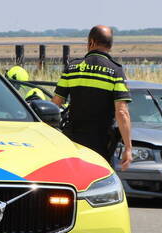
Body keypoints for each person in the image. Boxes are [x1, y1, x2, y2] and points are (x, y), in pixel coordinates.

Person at [52, 26, 132, 170]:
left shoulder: (72, 68)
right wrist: (128, 148)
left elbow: (55, 104)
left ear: (91, 42)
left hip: (73, 140)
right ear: (110, 45)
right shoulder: (115, 71)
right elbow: (122, 112)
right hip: (100, 143)